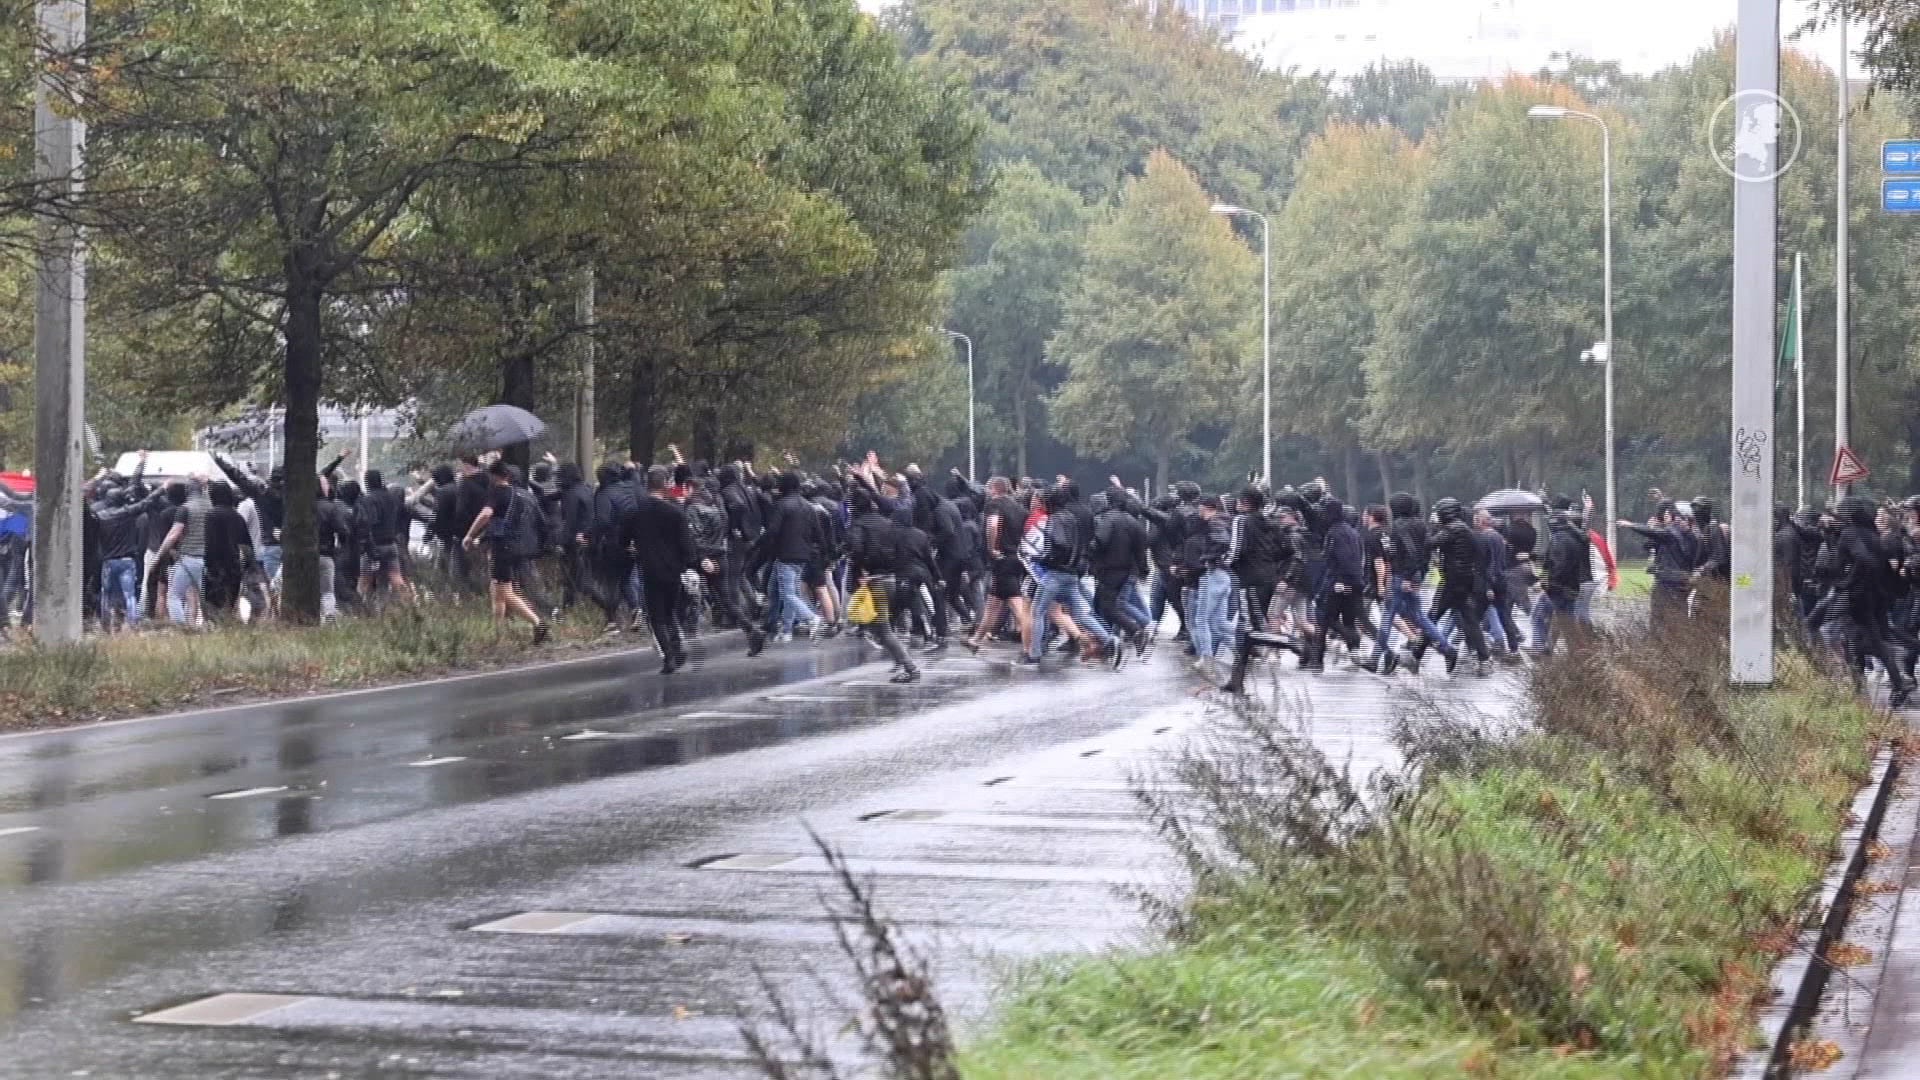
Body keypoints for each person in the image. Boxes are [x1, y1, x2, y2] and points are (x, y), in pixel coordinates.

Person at [462, 460, 549, 643]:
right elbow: (503, 523)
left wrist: (470, 535)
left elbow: (486, 515)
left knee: (504, 592)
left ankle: (538, 623)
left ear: (493, 476)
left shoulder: (497, 492)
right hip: (514, 546)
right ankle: (498, 633)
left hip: (502, 548)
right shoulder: (517, 494)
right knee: (497, 591)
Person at [627, 465, 698, 673]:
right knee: (670, 611)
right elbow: (687, 545)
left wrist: (634, 547)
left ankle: (669, 656)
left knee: (656, 616)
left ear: (647, 485)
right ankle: (677, 646)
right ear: (665, 484)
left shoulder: (636, 512)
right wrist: (688, 565)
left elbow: (623, 539)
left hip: (649, 568)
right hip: (673, 569)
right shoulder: (675, 512)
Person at [845, 487, 918, 683]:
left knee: (883, 629)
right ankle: (902, 662)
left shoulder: (858, 525)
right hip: (891, 578)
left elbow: (857, 549)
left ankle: (910, 667)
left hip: (874, 580)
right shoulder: (887, 523)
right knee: (884, 627)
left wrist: (861, 569)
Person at [1409, 497, 1487, 676]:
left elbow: (1429, 544)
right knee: (1470, 619)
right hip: (1463, 580)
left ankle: (1418, 654)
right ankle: (1484, 658)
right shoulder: (1463, 528)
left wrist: (1430, 529)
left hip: (1451, 581)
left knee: (1432, 616)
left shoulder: (1453, 529)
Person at [760, 471, 825, 642]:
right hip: (803, 555)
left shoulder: (781, 505)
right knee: (783, 590)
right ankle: (785, 629)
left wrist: (758, 544)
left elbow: (773, 531)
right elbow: (818, 533)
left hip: (785, 554)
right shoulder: (809, 506)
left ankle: (811, 617)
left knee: (788, 594)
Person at [1619, 500, 1699, 638]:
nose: (1664, 518)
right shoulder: (1687, 534)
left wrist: (1631, 525)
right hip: (1680, 579)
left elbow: (1654, 533)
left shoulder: (1672, 532)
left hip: (1670, 579)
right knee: (1676, 612)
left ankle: (1660, 640)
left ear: (1676, 517)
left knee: (1660, 612)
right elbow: (1650, 544)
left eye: (1667, 515)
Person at [1304, 496, 1364, 672]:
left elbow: (1338, 560)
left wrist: (1338, 582)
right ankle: (1354, 654)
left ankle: (1317, 661)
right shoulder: (1352, 532)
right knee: (1349, 619)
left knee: (1325, 620)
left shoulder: (1335, 534)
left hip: (1338, 581)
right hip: (1354, 582)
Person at [1182, 495, 1234, 669]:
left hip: (1212, 574)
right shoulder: (1226, 521)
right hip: (1223, 575)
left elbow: (1222, 542)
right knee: (1219, 623)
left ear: (1205, 507)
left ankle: (1206, 658)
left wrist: (1207, 557)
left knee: (1201, 619)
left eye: (1200, 507)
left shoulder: (1215, 522)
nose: (1198, 510)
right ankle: (1244, 647)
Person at [156, 476, 213, 626]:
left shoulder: (185, 508)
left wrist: (161, 553)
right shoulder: (210, 506)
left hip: (189, 557)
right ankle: (204, 625)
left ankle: (182, 627)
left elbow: (174, 534)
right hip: (209, 559)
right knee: (201, 597)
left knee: (174, 595)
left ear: (188, 491)